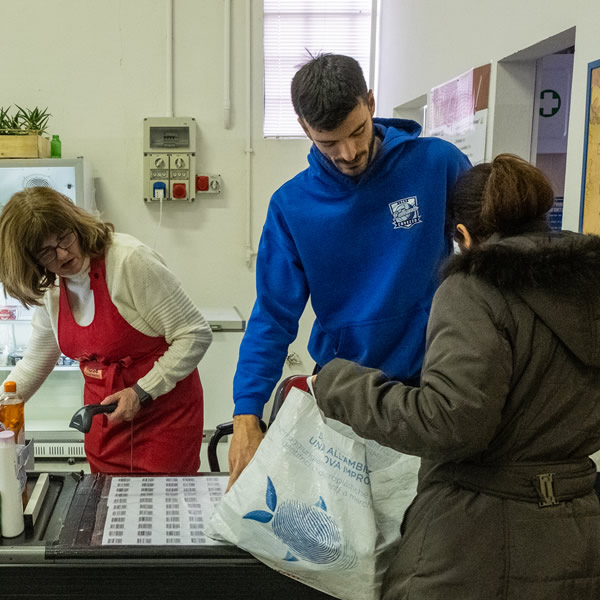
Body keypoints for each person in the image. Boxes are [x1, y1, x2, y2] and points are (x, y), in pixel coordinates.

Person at [312, 154, 600, 598]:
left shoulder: (476, 287)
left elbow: (450, 422)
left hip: (475, 540)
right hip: (578, 532)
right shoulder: (590, 289)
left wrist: (338, 384)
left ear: (464, 236)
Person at [228, 53, 471, 487]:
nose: (350, 152)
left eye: (357, 131)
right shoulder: (291, 208)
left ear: (372, 103)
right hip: (346, 396)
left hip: (431, 388)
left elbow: (489, 248)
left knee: (428, 538)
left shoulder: (436, 164)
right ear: (305, 129)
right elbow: (272, 317)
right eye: (329, 142)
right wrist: (247, 411)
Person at [0, 187, 212, 474]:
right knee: (105, 507)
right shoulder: (51, 289)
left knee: (163, 510)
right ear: (31, 260)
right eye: (46, 252)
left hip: (164, 421)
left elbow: (195, 334)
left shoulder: (128, 261)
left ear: (75, 224)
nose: (62, 254)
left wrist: (141, 392)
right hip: (105, 425)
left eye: (64, 237)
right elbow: (34, 364)